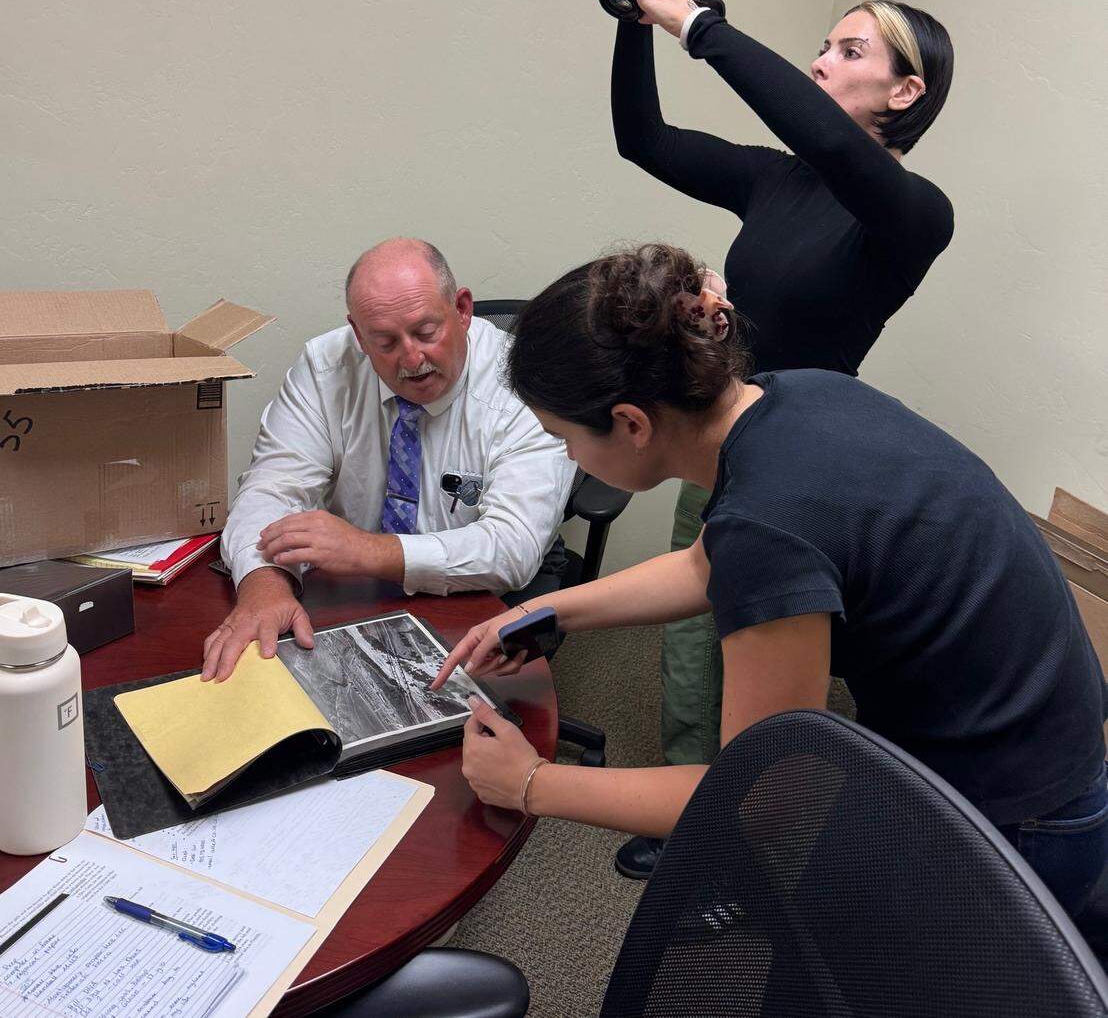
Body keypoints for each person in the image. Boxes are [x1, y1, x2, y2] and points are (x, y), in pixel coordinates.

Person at [432, 244, 1108, 956]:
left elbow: (761, 801)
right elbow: (704, 563)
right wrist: (544, 611)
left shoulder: (768, 527)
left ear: (631, 425)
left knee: (868, 969)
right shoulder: (796, 395)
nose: (567, 457)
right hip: (1036, 730)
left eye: (564, 439)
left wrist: (532, 782)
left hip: (1022, 814)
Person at [590, 0, 956, 876]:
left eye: (848, 52)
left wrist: (697, 24)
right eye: (823, 46)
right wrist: (636, 23)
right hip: (723, 436)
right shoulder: (777, 181)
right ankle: (689, 813)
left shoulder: (914, 214)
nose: (821, 62)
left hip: (809, 469)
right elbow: (644, 139)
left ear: (905, 95)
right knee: (687, 639)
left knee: (769, 661)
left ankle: (754, 846)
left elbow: (836, 148)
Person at [202, 237, 575, 683]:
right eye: (385, 342)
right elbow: (271, 487)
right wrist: (263, 585)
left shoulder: (521, 381)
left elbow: (511, 548)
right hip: (356, 579)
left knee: (453, 712)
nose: (412, 359)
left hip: (486, 586)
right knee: (305, 688)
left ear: (462, 309)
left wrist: (365, 550)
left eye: (425, 332)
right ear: (358, 335)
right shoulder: (325, 367)